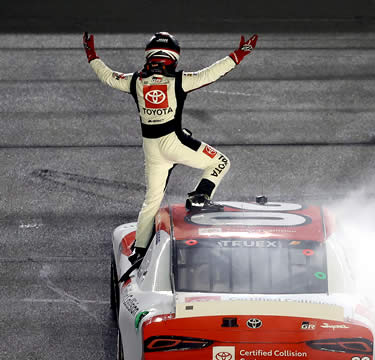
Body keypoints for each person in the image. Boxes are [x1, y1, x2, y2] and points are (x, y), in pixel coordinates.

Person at [82, 31, 258, 267]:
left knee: (151, 202)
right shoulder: (179, 80)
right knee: (220, 162)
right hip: (174, 143)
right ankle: (200, 197)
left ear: (149, 56)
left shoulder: (134, 81)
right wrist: (240, 54)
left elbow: (106, 76)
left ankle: (139, 251)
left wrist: (91, 52)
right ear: (174, 58)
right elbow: (212, 73)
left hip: (152, 150)